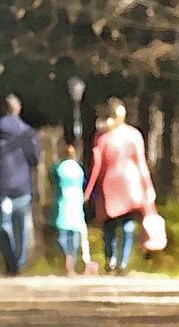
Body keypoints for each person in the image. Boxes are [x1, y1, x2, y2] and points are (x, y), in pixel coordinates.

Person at [84, 98, 157, 275]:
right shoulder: (134, 135)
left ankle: (111, 260)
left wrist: (89, 190)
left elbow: (96, 166)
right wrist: (148, 187)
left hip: (108, 185)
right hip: (131, 185)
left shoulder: (101, 137)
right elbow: (141, 164)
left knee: (109, 225)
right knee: (127, 225)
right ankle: (123, 263)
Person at [0, 94, 40, 275]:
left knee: (4, 224)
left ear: (2, 109)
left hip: (2, 185)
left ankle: (11, 262)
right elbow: (34, 158)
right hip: (23, 185)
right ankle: (20, 262)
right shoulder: (28, 132)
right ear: (18, 110)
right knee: (22, 226)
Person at [52, 142, 87, 276]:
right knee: (75, 236)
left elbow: (53, 181)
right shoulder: (78, 169)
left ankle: (66, 255)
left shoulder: (58, 168)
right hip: (76, 203)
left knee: (61, 235)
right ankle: (72, 263)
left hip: (62, 202)